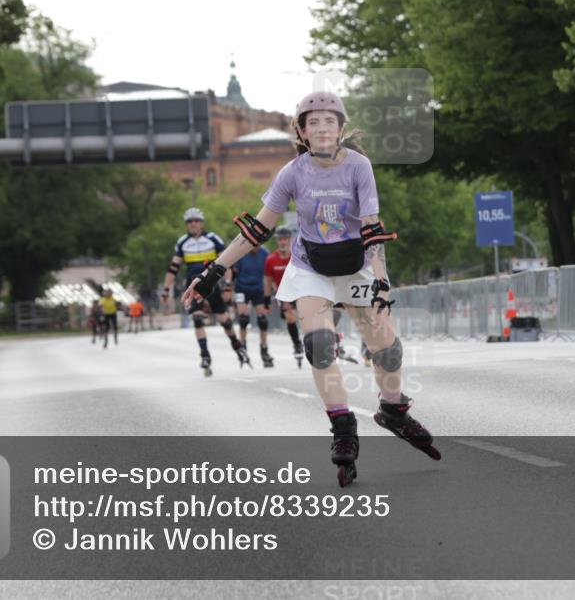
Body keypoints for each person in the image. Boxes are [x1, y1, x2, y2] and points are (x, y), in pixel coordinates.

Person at [183, 90, 440, 487]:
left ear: (340, 128)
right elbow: (257, 229)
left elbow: (371, 228)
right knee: (320, 345)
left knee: (387, 349)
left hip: (354, 263)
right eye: (313, 122)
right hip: (311, 266)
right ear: (302, 132)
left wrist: (381, 283)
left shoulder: (359, 166)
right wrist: (210, 273)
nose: (322, 128)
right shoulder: (292, 172)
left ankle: (393, 410)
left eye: (329, 121)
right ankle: (342, 428)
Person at [164, 207, 249, 376]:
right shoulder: (182, 242)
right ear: (187, 225)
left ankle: (237, 346)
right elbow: (173, 268)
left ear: (201, 223)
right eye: (190, 221)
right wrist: (166, 289)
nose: (193, 224)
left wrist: (227, 285)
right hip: (192, 285)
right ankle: (205, 355)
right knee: (197, 318)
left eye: (196, 221)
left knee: (224, 320)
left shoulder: (212, 239)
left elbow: (228, 261)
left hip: (211, 282)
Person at [264, 227, 303, 365]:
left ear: (290, 240)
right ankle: (297, 344)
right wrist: (266, 300)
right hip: (284, 293)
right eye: (280, 239)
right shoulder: (270, 259)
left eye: (285, 239)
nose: (282, 242)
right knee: (290, 315)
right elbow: (268, 281)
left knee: (306, 317)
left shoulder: (297, 256)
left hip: (301, 289)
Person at [231, 243, 273, 367]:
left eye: (259, 244)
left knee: (262, 320)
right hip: (241, 288)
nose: (256, 246)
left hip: (258, 289)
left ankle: (264, 349)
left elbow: (269, 274)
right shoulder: (241, 253)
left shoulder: (265, 253)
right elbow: (233, 273)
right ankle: (243, 346)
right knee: (243, 318)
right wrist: (230, 290)